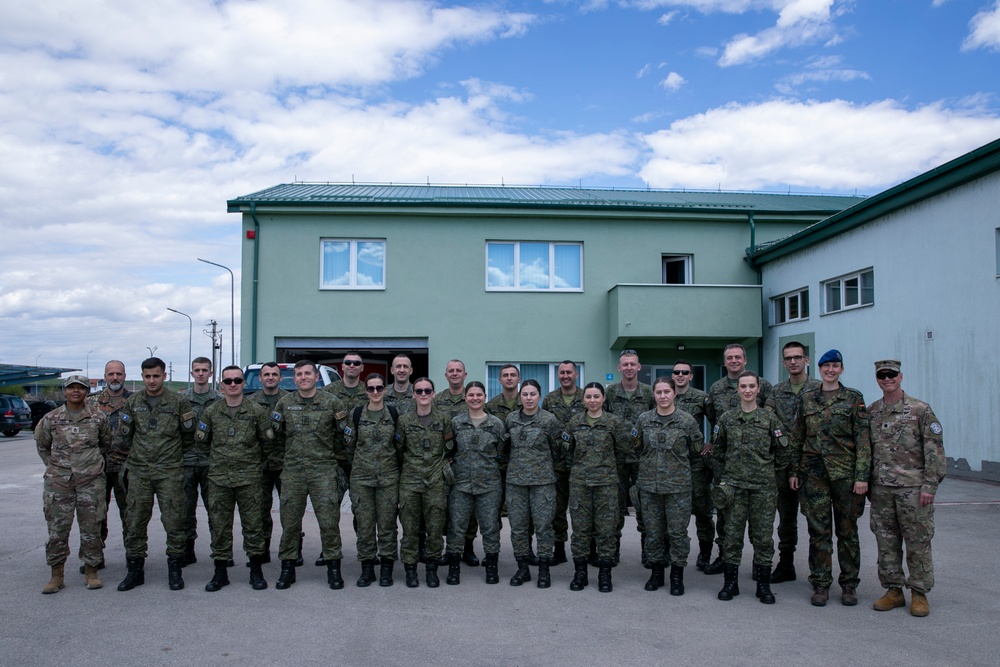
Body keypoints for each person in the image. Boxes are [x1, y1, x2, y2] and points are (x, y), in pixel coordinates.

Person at [790, 349, 870, 607]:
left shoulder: (853, 398)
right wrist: (793, 470)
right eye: (826, 366)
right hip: (813, 475)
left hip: (845, 476)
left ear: (841, 369)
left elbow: (863, 441)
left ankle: (849, 585)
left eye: (835, 366)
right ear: (820, 369)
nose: (831, 370)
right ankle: (821, 584)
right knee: (818, 532)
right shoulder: (807, 399)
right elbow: (797, 437)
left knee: (848, 533)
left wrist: (862, 476)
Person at [868, 359, 946, 617]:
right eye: (882, 375)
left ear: (901, 376)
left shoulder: (919, 409)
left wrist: (930, 486)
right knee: (886, 541)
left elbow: (934, 449)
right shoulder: (873, 411)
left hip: (913, 489)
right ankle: (893, 590)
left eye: (891, 374)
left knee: (918, 542)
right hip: (881, 489)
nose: (887, 379)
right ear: (877, 379)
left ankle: (919, 592)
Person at [117, 357, 196, 592]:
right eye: (147, 376)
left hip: (169, 471)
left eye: (156, 376)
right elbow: (126, 435)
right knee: (135, 521)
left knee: (174, 521)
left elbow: (189, 437)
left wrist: (168, 456)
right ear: (142, 377)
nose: (151, 381)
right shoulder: (133, 403)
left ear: (164, 376)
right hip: (140, 471)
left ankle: (175, 569)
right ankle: (135, 570)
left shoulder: (179, 402)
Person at [271, 360, 350, 590]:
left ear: (316, 377)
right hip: (293, 472)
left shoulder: (332, 402)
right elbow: (277, 438)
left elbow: (343, 436)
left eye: (307, 373)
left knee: (328, 522)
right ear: (294, 379)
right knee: (290, 523)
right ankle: (287, 569)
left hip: (323, 471)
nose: (303, 377)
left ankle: (334, 569)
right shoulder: (285, 404)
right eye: (299, 374)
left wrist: (335, 463)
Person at [195, 366, 274, 592]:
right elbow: (201, 441)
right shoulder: (211, 411)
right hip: (219, 479)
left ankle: (256, 571)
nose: (232, 384)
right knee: (220, 527)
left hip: (249, 478)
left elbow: (268, 443)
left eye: (237, 380)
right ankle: (220, 572)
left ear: (243, 383)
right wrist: (220, 459)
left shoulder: (257, 411)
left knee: (253, 526)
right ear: (221, 385)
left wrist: (252, 462)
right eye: (228, 381)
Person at [711, 371, 787, 604]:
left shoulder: (769, 419)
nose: (747, 390)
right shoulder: (726, 419)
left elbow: (783, 451)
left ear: (758, 389)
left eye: (751, 386)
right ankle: (730, 584)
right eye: (743, 386)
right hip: (734, 488)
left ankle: (763, 586)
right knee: (732, 537)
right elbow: (718, 451)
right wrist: (727, 476)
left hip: (762, 489)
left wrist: (766, 473)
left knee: (763, 538)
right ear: (738, 390)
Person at [36, 375, 112, 593]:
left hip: (91, 483)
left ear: (87, 391)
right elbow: (42, 446)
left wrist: (88, 465)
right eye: (72, 388)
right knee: (57, 530)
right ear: (65, 391)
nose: (76, 391)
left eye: (81, 388)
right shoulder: (51, 418)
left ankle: (91, 571)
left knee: (92, 528)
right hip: (59, 484)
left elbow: (105, 444)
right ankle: (56, 575)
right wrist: (57, 468)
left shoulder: (98, 418)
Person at [703, 343, 773, 575]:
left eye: (737, 357)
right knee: (726, 516)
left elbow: (772, 421)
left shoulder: (763, 385)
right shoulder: (716, 388)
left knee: (759, 524)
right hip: (728, 466)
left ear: (745, 360)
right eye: (729, 358)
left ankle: (759, 564)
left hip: (757, 467)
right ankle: (725, 557)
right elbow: (715, 422)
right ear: (725, 362)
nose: (733, 361)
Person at [634, 376, 703, 595]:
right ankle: (656, 573)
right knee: (653, 532)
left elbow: (695, 451)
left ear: (674, 393)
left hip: (678, 488)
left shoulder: (687, 421)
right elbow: (637, 448)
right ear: (653, 395)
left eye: (667, 392)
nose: (663, 396)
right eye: (658, 392)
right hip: (649, 487)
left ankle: (676, 575)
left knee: (678, 533)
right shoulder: (643, 420)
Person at [562, 382, 633, 593]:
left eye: (596, 397)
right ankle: (580, 574)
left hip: (606, 485)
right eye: (588, 397)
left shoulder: (613, 422)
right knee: (580, 531)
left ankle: (604, 575)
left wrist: (608, 469)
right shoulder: (574, 423)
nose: (592, 401)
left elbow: (623, 450)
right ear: (583, 400)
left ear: (603, 398)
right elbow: (567, 452)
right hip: (580, 484)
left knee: (606, 531)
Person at [764, 342, 821, 583]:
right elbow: (766, 422)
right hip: (783, 465)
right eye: (789, 358)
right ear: (784, 362)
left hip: (812, 467)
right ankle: (786, 564)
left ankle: (819, 571)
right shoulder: (776, 392)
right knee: (785, 521)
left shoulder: (819, 390)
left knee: (816, 522)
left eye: (798, 357)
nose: (794, 361)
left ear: (806, 360)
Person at [445, 381, 506, 586]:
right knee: (457, 527)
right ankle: (454, 568)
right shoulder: (456, 423)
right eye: (471, 395)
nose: (475, 398)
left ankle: (492, 567)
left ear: (485, 397)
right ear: (465, 398)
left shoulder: (496, 423)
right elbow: (448, 450)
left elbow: (503, 453)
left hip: (489, 485)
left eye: (479, 395)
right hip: (461, 484)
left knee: (490, 527)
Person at [344, 374, 401, 587]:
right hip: (362, 479)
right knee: (365, 526)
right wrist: (359, 468)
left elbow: (400, 447)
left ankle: (387, 569)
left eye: (379, 388)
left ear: (385, 390)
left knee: (387, 526)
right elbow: (349, 447)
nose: (375, 392)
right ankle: (367, 569)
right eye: (371, 389)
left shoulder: (394, 413)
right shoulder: (356, 414)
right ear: (365, 391)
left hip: (388, 478)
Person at [396, 377, 454, 588]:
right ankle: (410, 570)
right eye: (419, 391)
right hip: (410, 481)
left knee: (435, 528)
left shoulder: (443, 419)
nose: (423, 395)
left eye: (427, 391)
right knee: (410, 529)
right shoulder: (404, 421)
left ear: (433, 393)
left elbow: (449, 447)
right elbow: (399, 450)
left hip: (435, 480)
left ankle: (432, 569)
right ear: (413, 395)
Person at [505, 379, 564, 587]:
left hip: (542, 483)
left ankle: (544, 570)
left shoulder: (549, 420)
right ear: (520, 396)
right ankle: (522, 569)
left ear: (539, 396)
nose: (529, 398)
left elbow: (558, 450)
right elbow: (505, 449)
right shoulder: (511, 419)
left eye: (533, 394)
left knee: (544, 527)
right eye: (525, 394)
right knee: (518, 528)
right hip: (516, 483)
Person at [604, 350, 654, 567]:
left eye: (632, 364)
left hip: (643, 459)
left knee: (645, 506)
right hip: (616, 460)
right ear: (619, 367)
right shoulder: (610, 392)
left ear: (639, 367)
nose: (629, 368)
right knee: (614, 507)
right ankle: (612, 552)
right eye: (625, 364)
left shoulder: (649, 393)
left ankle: (649, 551)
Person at [433, 359, 481, 567]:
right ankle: (449, 548)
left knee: (469, 509)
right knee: (446, 507)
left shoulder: (471, 398)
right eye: (450, 371)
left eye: (458, 371)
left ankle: (468, 548)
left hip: (468, 463)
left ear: (465, 374)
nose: (454, 374)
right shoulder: (438, 400)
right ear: (445, 375)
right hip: (445, 462)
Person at [85, 360, 132, 571]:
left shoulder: (135, 401)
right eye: (111, 374)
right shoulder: (90, 402)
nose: (115, 378)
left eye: (119, 374)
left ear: (124, 376)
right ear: (104, 376)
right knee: (96, 515)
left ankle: (134, 556)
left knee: (131, 514)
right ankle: (95, 556)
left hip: (126, 469)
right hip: (97, 469)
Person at [670, 360, 713, 571]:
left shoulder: (700, 398)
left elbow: (718, 421)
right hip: (671, 463)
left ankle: (705, 553)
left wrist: (712, 441)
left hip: (695, 462)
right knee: (672, 510)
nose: (680, 375)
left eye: (684, 372)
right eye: (676, 372)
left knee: (702, 510)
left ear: (690, 376)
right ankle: (671, 551)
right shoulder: (665, 395)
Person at [179, 356, 222, 566]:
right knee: (186, 509)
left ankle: (220, 551)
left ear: (211, 373)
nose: (201, 373)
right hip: (186, 462)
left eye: (205, 370)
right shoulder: (181, 400)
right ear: (192, 373)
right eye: (197, 370)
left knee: (216, 509)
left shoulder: (220, 400)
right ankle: (188, 549)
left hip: (211, 463)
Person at [541, 361, 584, 565]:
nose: (565, 376)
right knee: (556, 509)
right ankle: (559, 549)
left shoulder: (587, 397)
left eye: (569, 372)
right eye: (562, 373)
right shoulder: (550, 399)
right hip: (556, 463)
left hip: (582, 462)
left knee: (582, 508)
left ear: (576, 374)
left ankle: (587, 549)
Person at [248, 361, 289, 565]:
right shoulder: (251, 402)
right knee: (260, 509)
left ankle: (292, 550)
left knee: (290, 510)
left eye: (274, 374)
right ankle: (262, 550)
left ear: (280, 378)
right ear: (260, 378)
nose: (270, 377)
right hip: (261, 465)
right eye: (266, 374)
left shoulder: (289, 401)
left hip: (285, 464)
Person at [485, 364, 521, 521]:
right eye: (505, 375)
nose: (509, 378)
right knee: (493, 511)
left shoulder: (527, 403)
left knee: (520, 512)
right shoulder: (491, 406)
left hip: (520, 466)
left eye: (513, 375)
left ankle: (522, 545)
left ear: (519, 379)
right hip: (497, 466)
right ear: (499, 380)